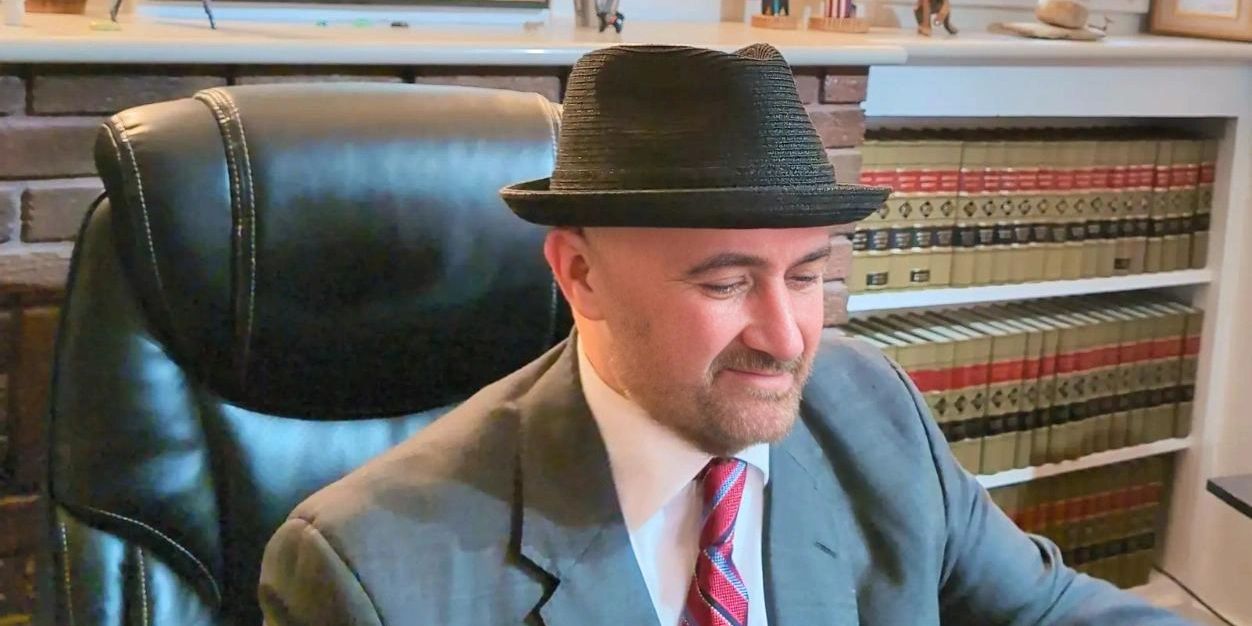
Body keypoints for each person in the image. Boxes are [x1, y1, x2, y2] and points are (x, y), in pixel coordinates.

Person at [257, 43, 1195, 626]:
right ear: (580, 275)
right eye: (726, 281)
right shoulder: (373, 571)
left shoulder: (869, 406)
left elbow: (1046, 608)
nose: (788, 338)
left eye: (808, 275)